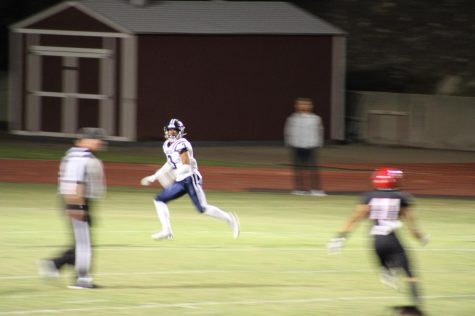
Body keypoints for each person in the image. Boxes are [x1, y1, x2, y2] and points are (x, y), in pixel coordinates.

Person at [327, 167, 429, 310]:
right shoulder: (402, 197)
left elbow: (354, 220)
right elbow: (412, 227)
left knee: (386, 258)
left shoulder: (368, 197)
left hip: (375, 240)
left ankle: (386, 269)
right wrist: (422, 238)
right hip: (392, 239)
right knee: (410, 275)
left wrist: (339, 239)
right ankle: (417, 308)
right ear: (393, 180)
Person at [140, 118, 240, 240]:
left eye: (174, 131)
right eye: (170, 131)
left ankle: (230, 219)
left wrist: (173, 177)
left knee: (202, 208)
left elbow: (186, 166)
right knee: (159, 200)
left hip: (190, 178)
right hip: (181, 180)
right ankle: (167, 230)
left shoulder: (182, 144)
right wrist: (155, 176)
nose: (171, 133)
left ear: (180, 132)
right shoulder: (167, 145)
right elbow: (170, 163)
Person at [38, 127, 107, 289]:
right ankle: (82, 279)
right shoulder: (79, 157)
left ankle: (55, 264)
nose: (99, 142)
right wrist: (77, 205)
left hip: (80, 201)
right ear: (83, 140)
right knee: (84, 244)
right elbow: (74, 183)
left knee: (82, 242)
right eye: (94, 139)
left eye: (99, 139)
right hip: (76, 201)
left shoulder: (81, 155)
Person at [284, 97, 326, 196]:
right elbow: (288, 131)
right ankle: (299, 189)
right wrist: (289, 143)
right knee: (298, 170)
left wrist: (318, 143)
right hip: (297, 145)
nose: (303, 106)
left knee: (313, 169)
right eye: (301, 104)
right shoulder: (293, 118)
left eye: (306, 104)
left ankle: (316, 189)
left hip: (310, 146)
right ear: (296, 106)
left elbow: (319, 131)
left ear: (311, 106)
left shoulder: (315, 119)